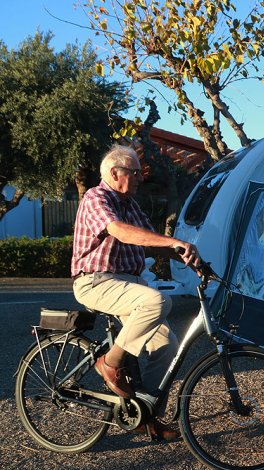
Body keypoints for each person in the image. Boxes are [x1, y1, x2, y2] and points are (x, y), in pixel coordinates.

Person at [71, 144, 200, 441]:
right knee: (157, 300)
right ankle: (110, 363)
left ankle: (146, 415)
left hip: (126, 283)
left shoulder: (131, 205)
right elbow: (119, 231)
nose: (141, 177)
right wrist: (172, 244)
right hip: (95, 281)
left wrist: (190, 258)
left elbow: (152, 243)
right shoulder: (96, 197)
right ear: (115, 173)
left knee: (169, 346)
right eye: (135, 172)